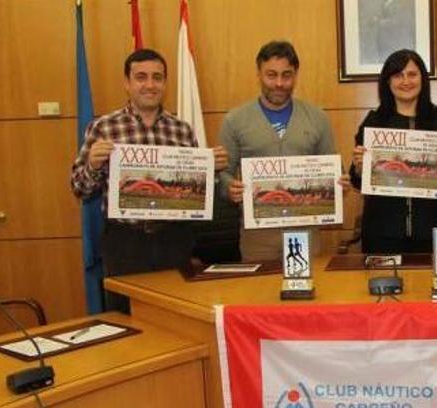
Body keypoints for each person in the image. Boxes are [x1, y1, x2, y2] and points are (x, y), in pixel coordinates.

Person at [70, 48, 228, 312]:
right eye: (141, 77)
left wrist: (211, 170)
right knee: (125, 316)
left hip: (174, 240)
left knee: (177, 313)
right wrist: (93, 165)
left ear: (165, 83)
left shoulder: (182, 130)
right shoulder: (103, 127)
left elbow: (194, 196)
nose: (150, 84)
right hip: (126, 242)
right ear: (127, 83)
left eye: (157, 77)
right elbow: (79, 189)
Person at [219, 40, 346, 261]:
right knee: (259, 294)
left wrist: (340, 183)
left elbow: (335, 170)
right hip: (257, 234)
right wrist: (230, 188)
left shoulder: (318, 118)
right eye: (271, 75)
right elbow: (222, 174)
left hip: (305, 229)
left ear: (295, 75)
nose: (279, 83)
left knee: (306, 290)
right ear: (258, 74)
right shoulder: (234, 120)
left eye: (286, 75)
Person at [349, 49, 437, 253]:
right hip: (383, 233)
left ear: (423, 79)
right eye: (398, 75)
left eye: (412, 74)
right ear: (387, 82)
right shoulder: (374, 122)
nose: (406, 81)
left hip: (435, 231)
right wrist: (359, 168)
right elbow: (356, 180)